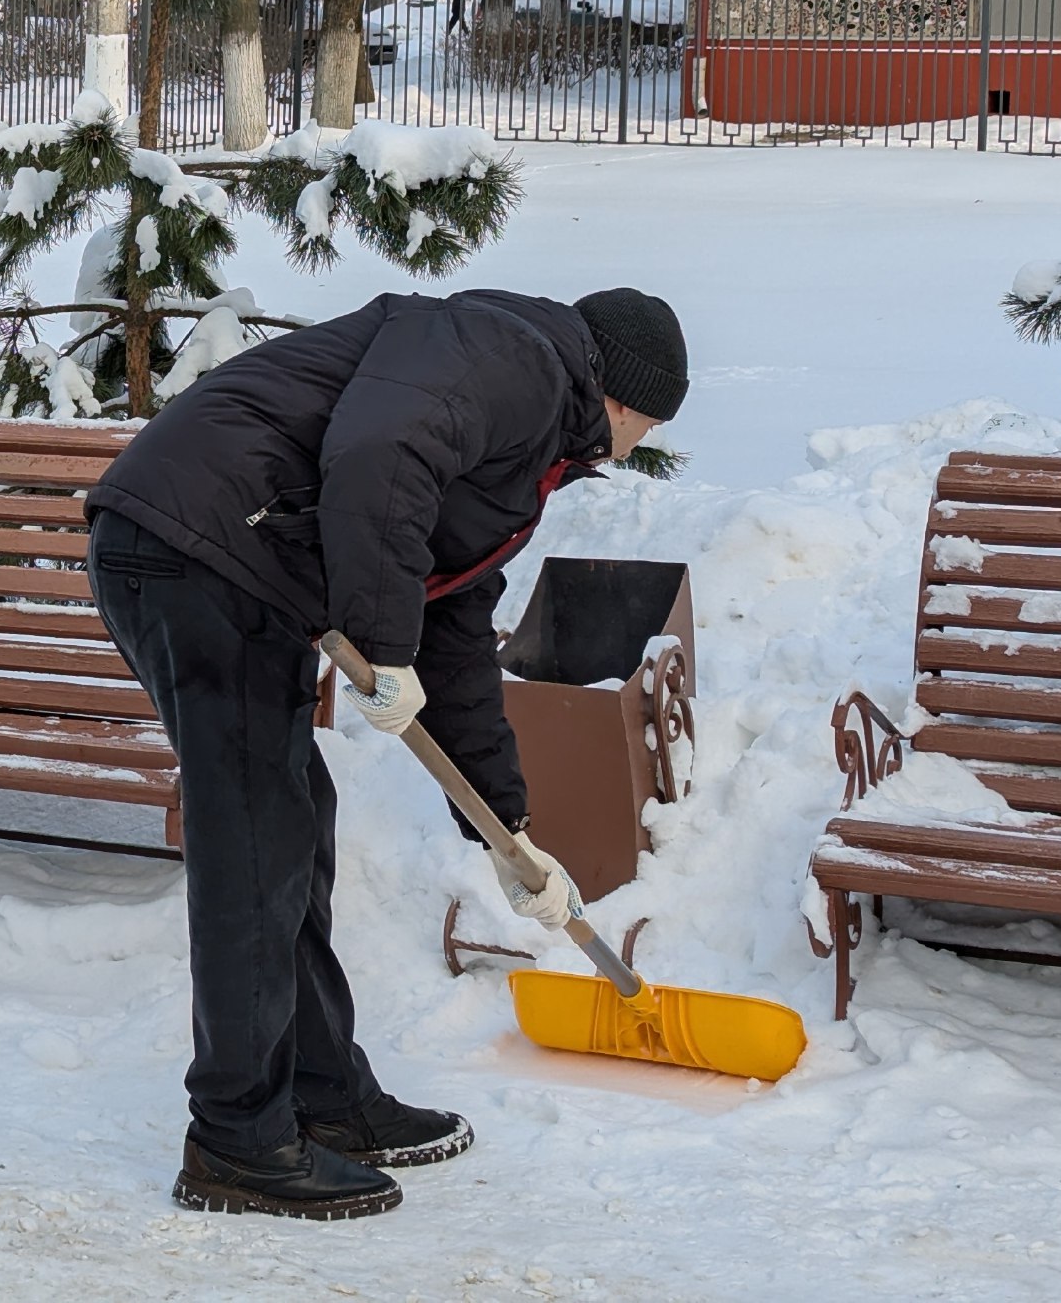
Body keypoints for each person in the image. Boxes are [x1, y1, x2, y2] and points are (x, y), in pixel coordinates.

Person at [85, 286, 686, 1220]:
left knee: (293, 826)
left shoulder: (528, 437)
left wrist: (506, 825)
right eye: (646, 425)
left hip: (225, 561)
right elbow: (378, 454)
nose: (635, 446)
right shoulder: (514, 358)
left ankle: (324, 1097)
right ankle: (237, 1142)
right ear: (623, 398)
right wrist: (381, 639)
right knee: (258, 839)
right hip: (194, 547)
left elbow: (452, 620)